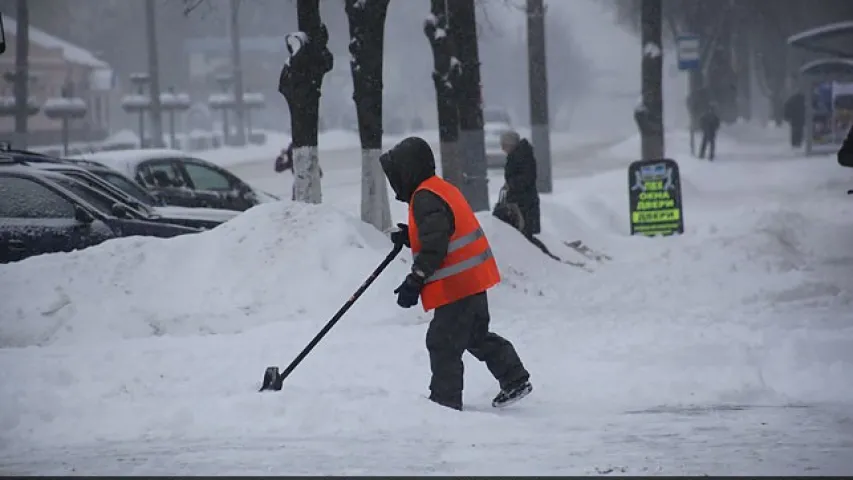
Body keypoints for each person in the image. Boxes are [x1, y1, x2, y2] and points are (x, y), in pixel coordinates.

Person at [380, 136, 532, 411]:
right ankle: (514, 377)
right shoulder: (437, 189)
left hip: (457, 285)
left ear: (408, 170)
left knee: (442, 343)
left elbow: (436, 243)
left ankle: (444, 403)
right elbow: (442, 232)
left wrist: (415, 279)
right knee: (475, 335)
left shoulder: (425, 197)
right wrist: (411, 237)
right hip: (472, 280)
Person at [498, 130, 540, 238]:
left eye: (504, 145)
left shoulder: (521, 156)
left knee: (524, 235)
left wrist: (511, 184)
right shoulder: (519, 155)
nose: (502, 148)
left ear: (511, 144)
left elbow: (527, 178)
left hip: (524, 203)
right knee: (523, 236)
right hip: (522, 201)